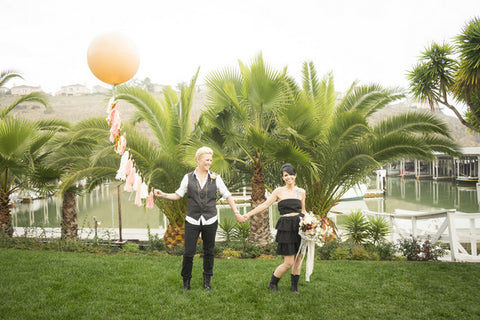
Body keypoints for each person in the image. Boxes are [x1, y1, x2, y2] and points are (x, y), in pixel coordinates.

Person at [154, 146, 242, 291]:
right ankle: (186, 282)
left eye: (210, 160)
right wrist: (163, 194)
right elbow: (178, 195)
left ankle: (207, 281)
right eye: (207, 160)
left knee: (209, 251)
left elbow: (227, 195)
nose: (209, 162)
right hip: (192, 220)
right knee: (189, 252)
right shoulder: (187, 178)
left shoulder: (216, 177)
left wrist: (236, 212)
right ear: (198, 160)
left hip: (210, 220)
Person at [241, 163, 306, 293]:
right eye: (286, 175)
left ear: (295, 175)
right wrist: (248, 214)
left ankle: (294, 287)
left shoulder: (301, 192)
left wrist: (312, 224)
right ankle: (273, 282)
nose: (289, 177)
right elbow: (264, 205)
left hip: (299, 227)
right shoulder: (278, 191)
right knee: (288, 263)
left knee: (298, 259)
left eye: (291, 174)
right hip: (286, 227)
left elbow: (303, 210)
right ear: (282, 177)